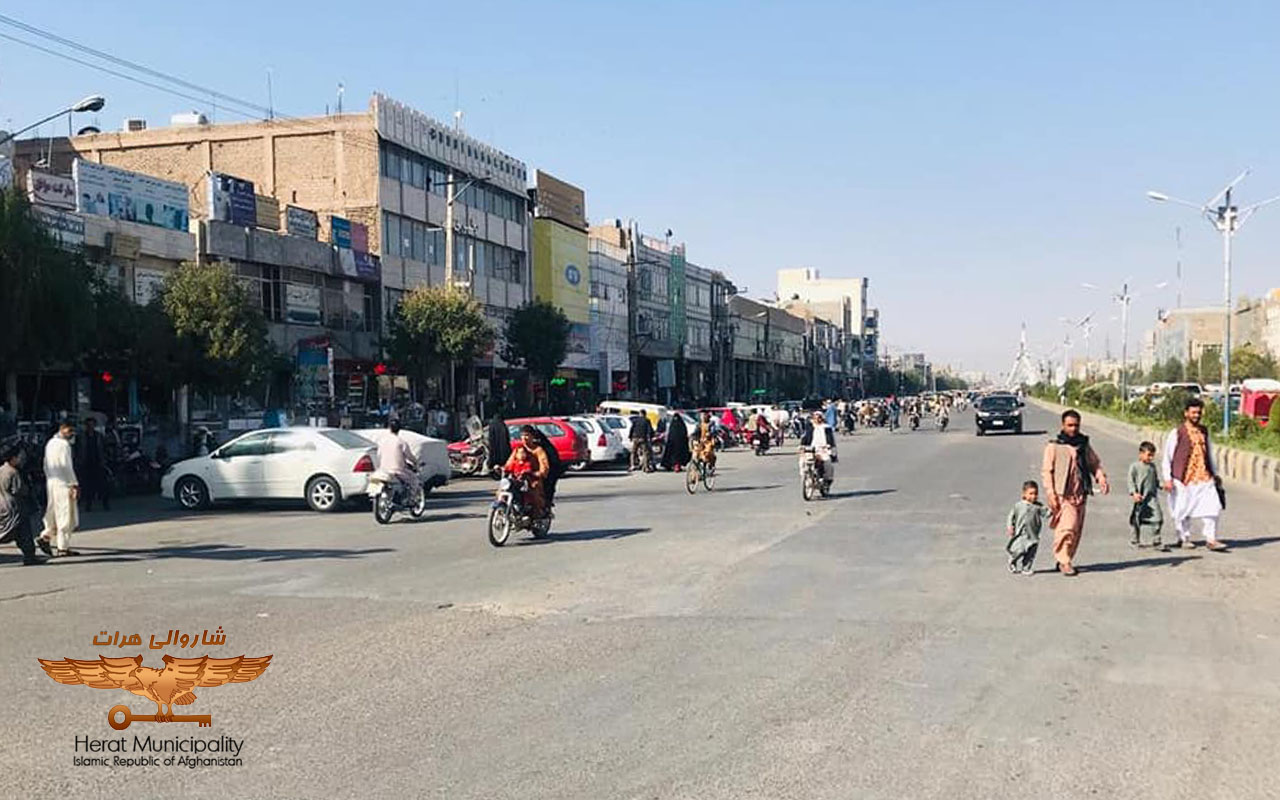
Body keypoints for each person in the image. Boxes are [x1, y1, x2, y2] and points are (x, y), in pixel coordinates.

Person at [1041, 409, 1109, 576]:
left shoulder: (1083, 444)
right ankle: (1064, 560)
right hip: (1062, 495)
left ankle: (1065, 558)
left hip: (1080, 493)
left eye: (1076, 425)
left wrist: (1101, 478)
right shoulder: (1054, 446)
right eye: (1069, 425)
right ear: (1063, 425)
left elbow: (1094, 463)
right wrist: (1050, 493)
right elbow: (1047, 471)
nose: (1073, 429)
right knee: (1067, 528)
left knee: (1076, 530)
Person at [1161, 397, 1227, 552]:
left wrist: (1215, 473)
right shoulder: (1177, 433)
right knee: (1183, 510)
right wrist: (1167, 478)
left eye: (1199, 412)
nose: (1197, 415)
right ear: (1186, 413)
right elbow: (1167, 457)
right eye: (1194, 412)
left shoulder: (1204, 431)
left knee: (1213, 507)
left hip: (1204, 477)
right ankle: (1183, 538)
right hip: (1184, 479)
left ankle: (1211, 539)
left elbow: (1209, 453)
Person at [0, 444, 46, 565]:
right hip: (15, 507)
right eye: (18, 457)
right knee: (24, 531)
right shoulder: (13, 472)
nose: (20, 459)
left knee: (10, 531)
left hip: (3, 506)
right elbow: (19, 490)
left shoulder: (1, 470)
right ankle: (29, 556)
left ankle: (29, 555)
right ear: (13, 458)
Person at [39, 422, 80, 557]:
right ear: (63, 431)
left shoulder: (50, 443)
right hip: (64, 483)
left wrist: (49, 477)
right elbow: (66, 466)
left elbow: (45, 464)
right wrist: (73, 484)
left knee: (52, 511)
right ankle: (63, 547)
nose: (71, 434)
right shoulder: (64, 445)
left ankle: (46, 535)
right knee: (65, 515)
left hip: (52, 481)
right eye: (69, 431)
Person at [504, 425, 551, 517]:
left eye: (527, 435)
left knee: (533, 492)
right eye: (522, 435)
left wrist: (538, 473)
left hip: (532, 478)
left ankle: (537, 514)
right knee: (504, 488)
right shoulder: (518, 449)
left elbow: (544, 466)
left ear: (532, 436)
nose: (524, 438)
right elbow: (510, 463)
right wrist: (502, 469)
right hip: (517, 478)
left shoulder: (538, 450)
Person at [1127, 441, 1166, 551]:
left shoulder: (1152, 467)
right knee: (1136, 519)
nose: (1151, 458)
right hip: (1140, 498)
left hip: (1151, 498)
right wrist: (1134, 493)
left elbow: (1155, 480)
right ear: (1141, 454)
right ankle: (1135, 540)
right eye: (1148, 455)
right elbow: (1130, 481)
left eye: (1152, 455)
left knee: (1158, 518)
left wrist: (1161, 485)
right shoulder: (1135, 467)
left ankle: (1156, 541)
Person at [1006, 480, 1048, 575]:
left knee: (1031, 553)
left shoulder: (1038, 506)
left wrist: (1054, 510)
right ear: (1024, 494)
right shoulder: (1018, 506)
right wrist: (1010, 527)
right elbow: (1011, 516)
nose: (1033, 496)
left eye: (1035, 493)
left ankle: (1026, 567)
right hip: (1021, 534)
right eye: (1031, 493)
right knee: (1019, 550)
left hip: (1033, 534)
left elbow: (1046, 513)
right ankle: (1012, 561)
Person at [76, 417, 110, 511]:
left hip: (98, 462)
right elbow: (77, 450)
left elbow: (104, 448)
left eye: (92, 425)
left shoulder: (99, 436)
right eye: (88, 425)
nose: (90, 427)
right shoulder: (81, 436)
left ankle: (105, 503)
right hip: (86, 463)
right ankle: (88, 504)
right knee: (87, 486)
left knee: (103, 484)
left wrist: (105, 459)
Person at [377, 419, 419, 493]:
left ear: (389, 428)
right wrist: (416, 462)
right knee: (414, 479)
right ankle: (411, 498)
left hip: (383, 470)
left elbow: (379, 455)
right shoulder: (401, 442)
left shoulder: (382, 441)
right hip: (397, 471)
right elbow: (409, 456)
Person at [527, 426, 563, 508]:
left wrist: (542, 472)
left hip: (550, 470)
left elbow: (547, 462)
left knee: (546, 489)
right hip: (532, 471)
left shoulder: (544, 448)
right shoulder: (525, 448)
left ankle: (545, 507)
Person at [798, 410, 837, 488]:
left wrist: (829, 446)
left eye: (819, 417)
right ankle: (805, 477)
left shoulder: (826, 427)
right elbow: (805, 437)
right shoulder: (810, 427)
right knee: (802, 461)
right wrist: (801, 446)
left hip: (823, 449)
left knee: (827, 462)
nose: (817, 419)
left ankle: (827, 479)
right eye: (815, 418)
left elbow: (830, 439)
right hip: (811, 449)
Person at [485, 411, 512, 476]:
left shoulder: (492, 426)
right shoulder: (503, 425)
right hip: (503, 448)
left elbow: (490, 438)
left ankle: (496, 470)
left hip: (494, 448)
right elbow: (506, 438)